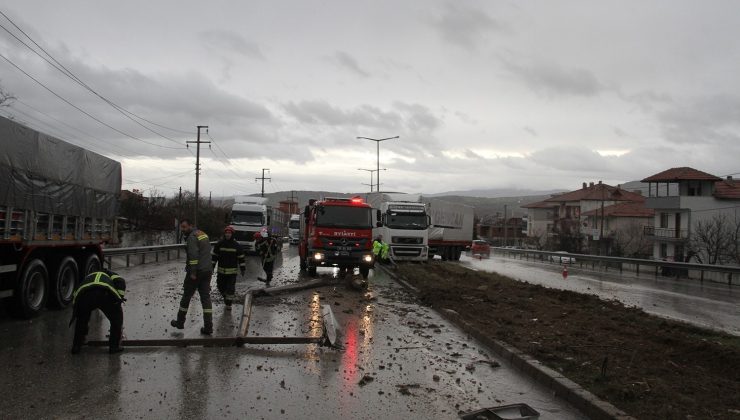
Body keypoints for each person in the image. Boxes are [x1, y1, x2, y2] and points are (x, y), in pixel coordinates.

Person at [171, 219, 214, 334]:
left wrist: (193, 272)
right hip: (207, 270)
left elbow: (193, 256)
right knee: (205, 298)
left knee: (186, 296)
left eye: (184, 227)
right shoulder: (203, 234)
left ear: (191, 226)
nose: (183, 230)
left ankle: (180, 322)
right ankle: (208, 327)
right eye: (182, 228)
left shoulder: (192, 237)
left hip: (197, 271)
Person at [70, 269, 126, 354]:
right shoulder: (111, 274)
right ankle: (114, 347)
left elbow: (76, 294)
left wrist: (77, 311)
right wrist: (119, 299)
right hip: (104, 294)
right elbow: (120, 281)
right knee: (116, 320)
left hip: (85, 295)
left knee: (81, 320)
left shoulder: (88, 277)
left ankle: (76, 346)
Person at [212, 225, 246, 310]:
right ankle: (226, 297)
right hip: (221, 272)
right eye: (226, 233)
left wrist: (243, 269)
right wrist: (211, 267)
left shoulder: (237, 246)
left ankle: (228, 304)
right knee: (220, 286)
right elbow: (214, 257)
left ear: (232, 234)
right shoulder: (219, 244)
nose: (227, 234)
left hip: (232, 273)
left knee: (230, 288)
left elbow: (241, 258)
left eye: (229, 233)